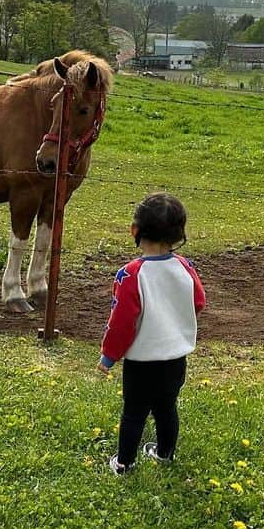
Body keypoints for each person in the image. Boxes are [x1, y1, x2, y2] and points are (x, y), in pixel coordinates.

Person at [97, 193, 205, 474]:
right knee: (166, 407)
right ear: (179, 234)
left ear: (135, 230)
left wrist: (109, 357)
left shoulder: (130, 274)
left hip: (142, 363)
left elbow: (121, 324)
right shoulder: (185, 267)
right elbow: (198, 302)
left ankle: (124, 464)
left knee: (134, 412)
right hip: (176, 358)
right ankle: (164, 454)